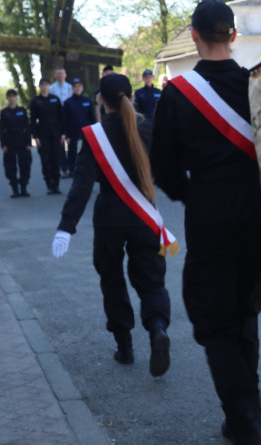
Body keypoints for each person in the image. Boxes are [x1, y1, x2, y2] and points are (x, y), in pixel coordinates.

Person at [151, 0, 261, 445]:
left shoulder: (178, 94)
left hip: (211, 214)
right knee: (243, 312)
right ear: (234, 35)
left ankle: (249, 422)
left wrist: (195, 192)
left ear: (194, 35)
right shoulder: (259, 87)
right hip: (257, 215)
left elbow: (164, 169)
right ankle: (243, 418)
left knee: (215, 323)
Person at [52, 73, 172, 375]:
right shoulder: (148, 128)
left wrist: (66, 226)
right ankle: (157, 328)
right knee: (151, 281)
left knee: (112, 282)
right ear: (131, 98)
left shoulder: (94, 135)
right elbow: (169, 172)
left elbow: (81, 186)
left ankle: (125, 347)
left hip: (109, 220)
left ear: (101, 101)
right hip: (145, 216)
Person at [29, 77, 66, 195]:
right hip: (43, 134)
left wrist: (63, 134)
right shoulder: (35, 101)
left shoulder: (55, 99)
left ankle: (56, 185)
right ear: (39, 87)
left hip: (56, 133)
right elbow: (33, 121)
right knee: (46, 161)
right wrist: (36, 137)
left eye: (46, 84)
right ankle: (49, 185)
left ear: (49, 86)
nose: (44, 87)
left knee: (56, 159)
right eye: (42, 85)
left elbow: (62, 118)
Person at [0, 90, 33, 197]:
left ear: (17, 98)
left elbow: (27, 127)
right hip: (9, 143)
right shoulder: (4, 112)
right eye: (10, 96)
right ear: (7, 98)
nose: (12, 98)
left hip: (22, 142)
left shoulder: (22, 111)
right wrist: (3, 144)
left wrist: (29, 143)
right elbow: (1, 130)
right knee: (10, 167)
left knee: (25, 166)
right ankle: (15, 189)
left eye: (14, 96)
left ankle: (23, 188)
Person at [63, 77, 94, 178]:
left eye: (79, 86)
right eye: (75, 87)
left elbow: (92, 117)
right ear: (72, 88)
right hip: (73, 132)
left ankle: (88, 170)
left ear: (82, 87)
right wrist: (66, 135)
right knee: (72, 152)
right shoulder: (68, 102)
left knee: (87, 152)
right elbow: (65, 120)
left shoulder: (87, 100)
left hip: (87, 131)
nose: (77, 88)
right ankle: (72, 170)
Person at [52, 68, 74, 178]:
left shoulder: (70, 87)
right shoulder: (51, 88)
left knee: (71, 144)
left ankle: (72, 168)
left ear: (65, 75)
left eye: (62, 73)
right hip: (57, 117)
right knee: (60, 145)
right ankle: (63, 168)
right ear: (55, 75)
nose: (60, 75)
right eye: (58, 73)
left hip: (69, 117)